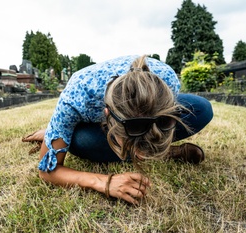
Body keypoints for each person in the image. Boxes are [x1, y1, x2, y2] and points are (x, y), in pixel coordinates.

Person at [23, 54, 213, 205]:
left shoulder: (168, 78)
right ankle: (169, 153)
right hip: (88, 125)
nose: (141, 157)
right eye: (136, 149)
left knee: (202, 109)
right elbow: (47, 171)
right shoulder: (76, 95)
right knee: (80, 142)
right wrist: (105, 182)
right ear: (106, 114)